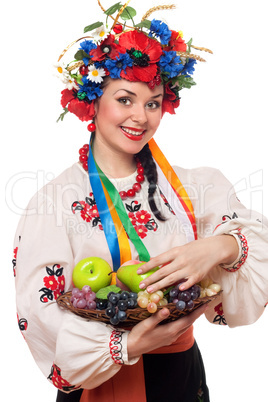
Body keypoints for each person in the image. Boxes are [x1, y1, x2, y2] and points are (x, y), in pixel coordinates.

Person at [13, 2, 268, 401]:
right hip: (100, 381)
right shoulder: (55, 202)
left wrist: (220, 246)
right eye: (125, 99)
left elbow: (256, 245)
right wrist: (126, 346)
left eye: (152, 102)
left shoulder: (190, 186)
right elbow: (41, 315)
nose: (140, 117)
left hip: (181, 376)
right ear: (91, 101)